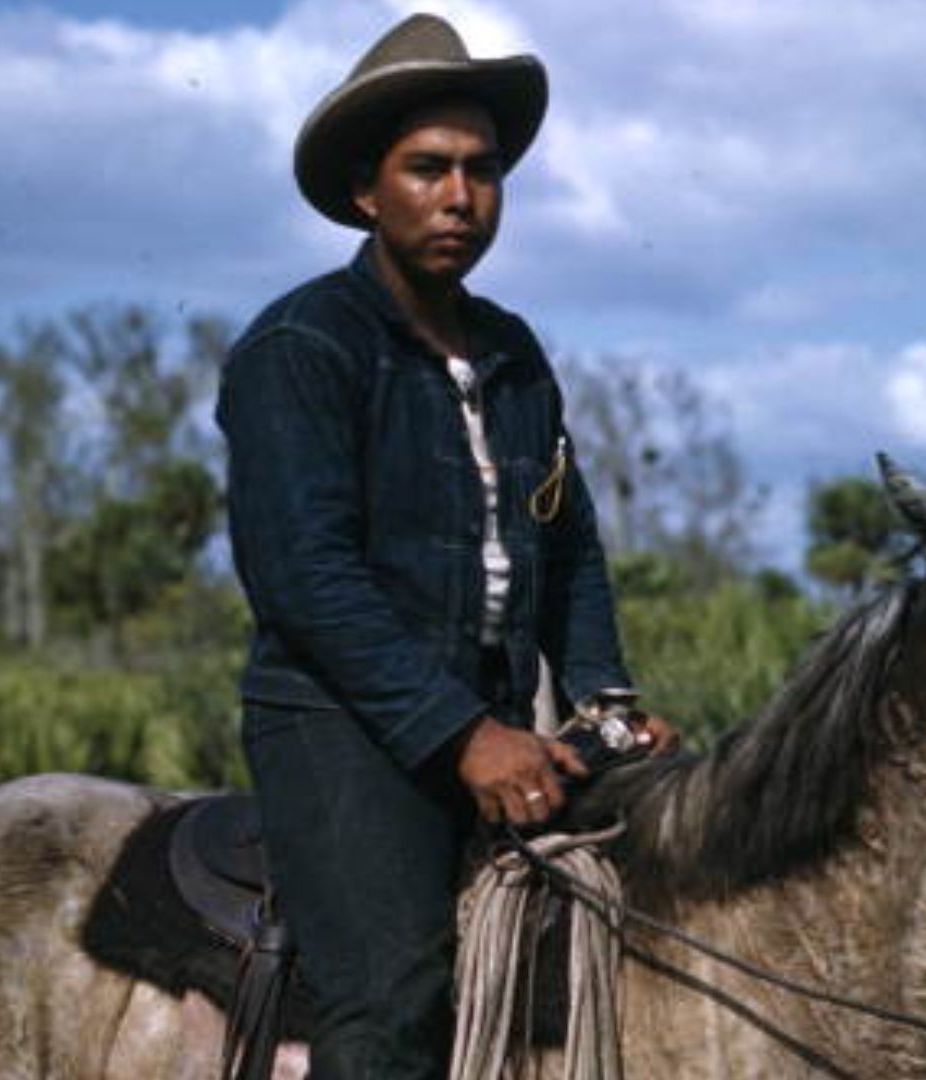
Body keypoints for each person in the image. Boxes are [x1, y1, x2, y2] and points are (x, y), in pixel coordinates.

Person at [216, 13, 676, 1079]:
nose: (460, 196)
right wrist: (464, 737)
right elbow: (304, 580)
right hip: (342, 725)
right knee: (389, 1004)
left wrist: (605, 700)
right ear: (367, 192)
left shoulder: (512, 354)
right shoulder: (302, 349)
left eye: (481, 170)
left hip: (504, 718)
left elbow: (568, 542)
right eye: (427, 169)